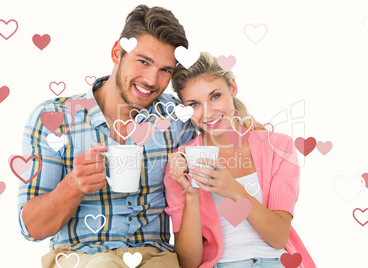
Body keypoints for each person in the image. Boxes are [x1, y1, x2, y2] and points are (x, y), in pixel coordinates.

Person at [17, 5, 195, 268]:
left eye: (165, 70)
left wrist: (250, 127)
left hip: (156, 257)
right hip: (80, 256)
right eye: (143, 61)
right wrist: (73, 186)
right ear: (117, 53)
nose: (151, 80)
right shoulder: (54, 117)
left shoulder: (175, 119)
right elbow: (31, 228)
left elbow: (221, 123)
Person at [164, 52, 315, 268]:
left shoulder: (278, 147)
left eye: (215, 96)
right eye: (194, 105)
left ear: (232, 88)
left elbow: (279, 237)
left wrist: (234, 190)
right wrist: (190, 194)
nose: (208, 113)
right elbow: (189, 263)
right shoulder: (180, 162)